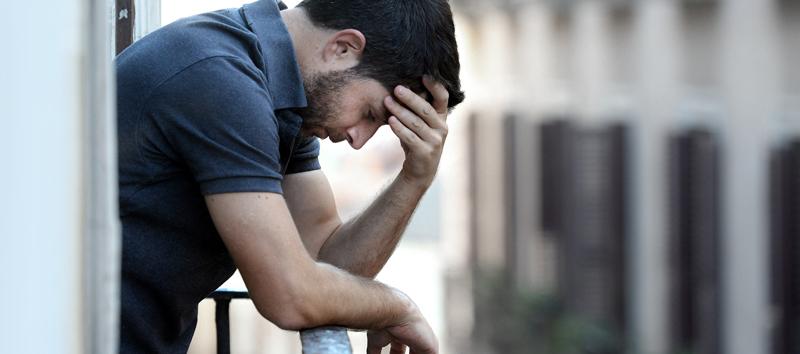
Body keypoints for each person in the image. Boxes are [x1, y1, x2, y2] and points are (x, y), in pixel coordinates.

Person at [115, 0, 464, 352]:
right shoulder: (221, 79)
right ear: (343, 48)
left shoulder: (281, 95)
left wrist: (413, 178)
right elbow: (290, 295)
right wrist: (397, 307)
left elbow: (327, 265)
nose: (358, 140)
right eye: (369, 113)